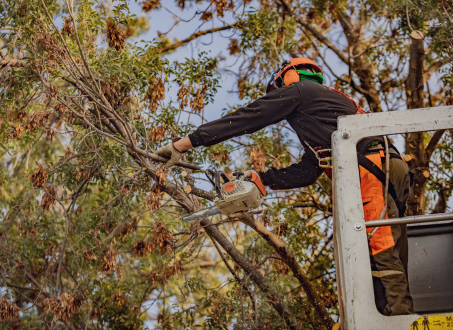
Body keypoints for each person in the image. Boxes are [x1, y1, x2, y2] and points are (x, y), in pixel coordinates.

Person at [156, 57, 413, 316]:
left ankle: (399, 316)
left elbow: (249, 117)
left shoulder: (300, 91)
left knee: (380, 246)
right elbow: (309, 171)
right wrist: (263, 179)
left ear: (287, 79)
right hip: (387, 167)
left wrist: (185, 143)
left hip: (367, 170)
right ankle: (389, 310)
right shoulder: (326, 109)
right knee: (380, 246)